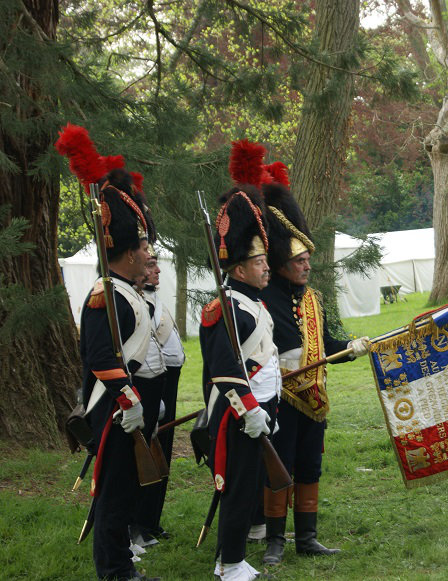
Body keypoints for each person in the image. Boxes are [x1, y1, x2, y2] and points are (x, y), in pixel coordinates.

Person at [56, 124, 159, 581]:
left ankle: (121, 569)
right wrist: (126, 396)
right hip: (113, 407)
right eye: (143, 246)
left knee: (123, 490)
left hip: (125, 405)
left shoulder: (124, 290)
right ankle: (114, 572)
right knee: (113, 494)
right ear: (128, 252)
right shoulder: (105, 294)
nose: (148, 252)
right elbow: (98, 355)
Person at [259, 164, 370, 562]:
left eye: (308, 259)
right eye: (300, 260)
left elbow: (326, 345)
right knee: (280, 468)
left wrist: (351, 346)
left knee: (309, 467)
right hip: (281, 396)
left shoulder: (313, 299)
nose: (307, 265)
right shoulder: (264, 299)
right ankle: (275, 540)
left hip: (315, 397)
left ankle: (306, 537)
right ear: (282, 264)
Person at [200, 142, 280, 581]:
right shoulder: (224, 308)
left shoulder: (253, 305)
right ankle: (228, 563)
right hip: (237, 414)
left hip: (258, 410)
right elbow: (225, 369)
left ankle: (232, 557)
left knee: (248, 489)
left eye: (265, 259)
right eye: (258, 260)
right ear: (239, 267)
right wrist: (250, 409)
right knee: (233, 490)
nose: (266, 267)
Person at [134, 242, 186, 544]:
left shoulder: (154, 300)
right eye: (150, 264)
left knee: (162, 453)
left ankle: (151, 520)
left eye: (156, 264)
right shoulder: (138, 303)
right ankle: (139, 522)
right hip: (154, 383)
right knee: (148, 454)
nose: (157, 270)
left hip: (170, 382)